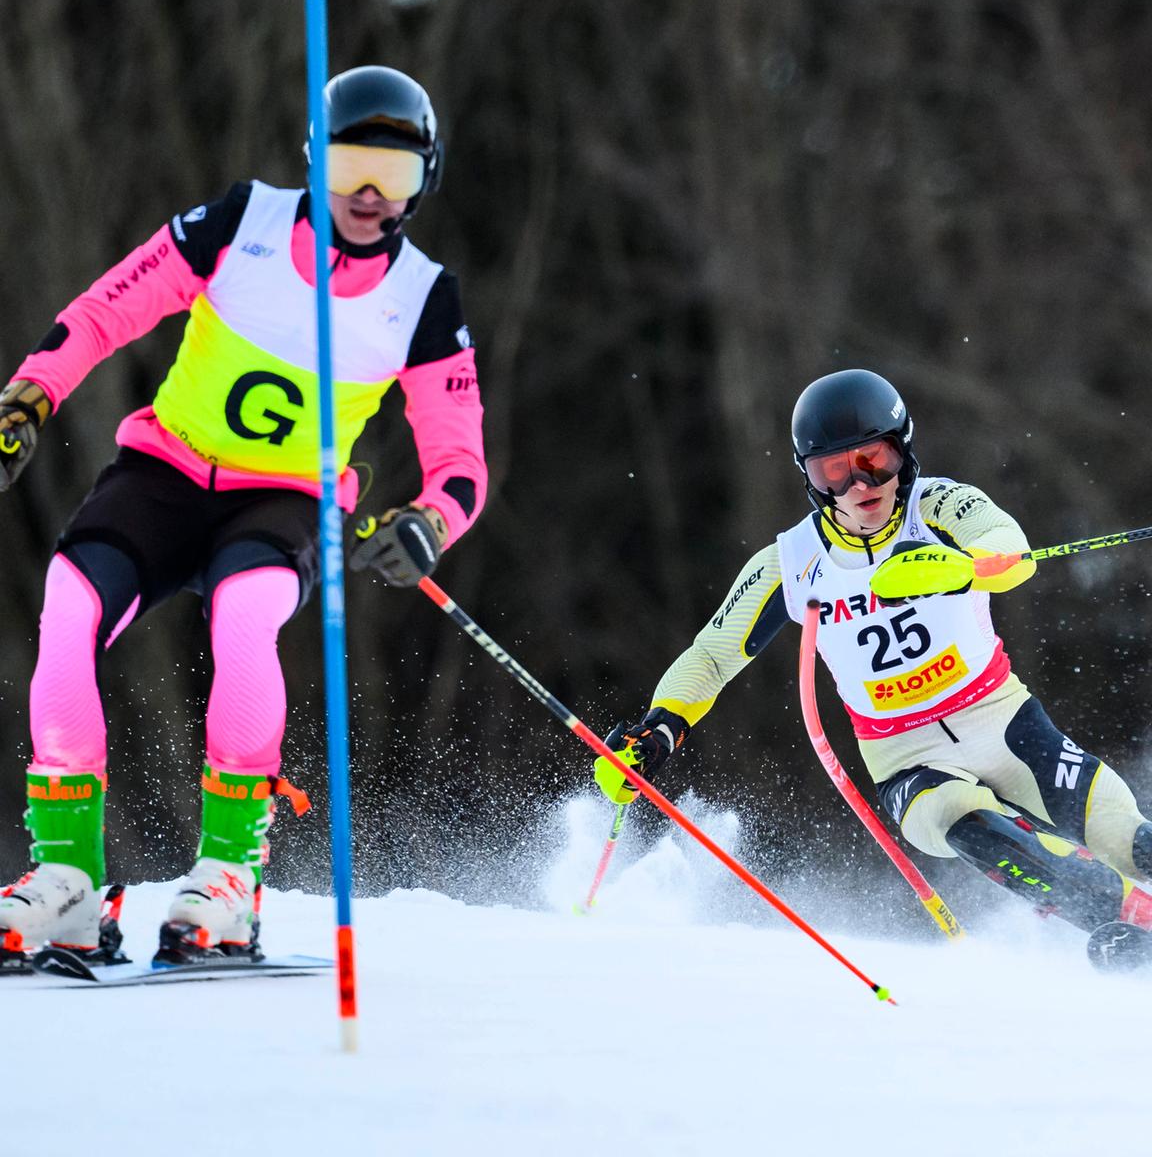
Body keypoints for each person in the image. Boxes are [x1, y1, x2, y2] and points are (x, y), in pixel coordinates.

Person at [0, 65, 486, 965]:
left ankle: (229, 876)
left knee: (246, 616)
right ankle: (66, 882)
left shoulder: (424, 297)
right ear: (313, 159)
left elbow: (460, 463)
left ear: (428, 178)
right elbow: (111, 308)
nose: (371, 196)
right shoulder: (244, 220)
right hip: (167, 467)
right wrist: (32, 393)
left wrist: (426, 523)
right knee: (68, 609)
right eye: (348, 168)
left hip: (287, 496)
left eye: (398, 174)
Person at [594, 368, 1152, 970]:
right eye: (835, 469)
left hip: (1004, 720)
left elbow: (1009, 549)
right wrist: (658, 730)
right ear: (811, 477)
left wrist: (960, 567)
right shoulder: (790, 562)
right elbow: (711, 654)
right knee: (959, 823)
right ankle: (1120, 917)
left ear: (902, 452)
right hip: (904, 755)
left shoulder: (938, 505)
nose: (860, 483)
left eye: (875, 459)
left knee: (1125, 835)